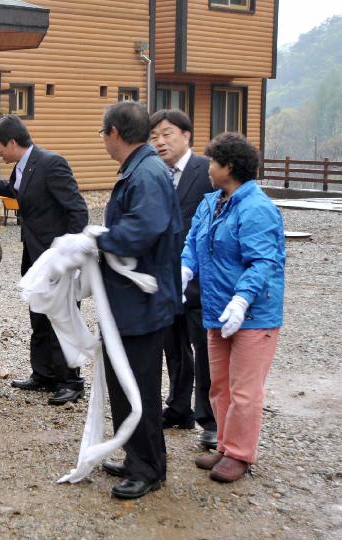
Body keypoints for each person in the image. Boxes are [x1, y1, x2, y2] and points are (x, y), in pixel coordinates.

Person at [182, 132, 285, 483]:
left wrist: (242, 300)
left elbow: (262, 262)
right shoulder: (211, 202)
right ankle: (225, 446)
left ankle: (241, 454)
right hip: (216, 310)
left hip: (254, 316)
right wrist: (185, 268)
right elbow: (193, 242)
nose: (207, 167)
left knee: (245, 389)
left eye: (212, 161)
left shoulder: (258, 209)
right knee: (220, 385)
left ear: (228, 166)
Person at [0, 114, 89, 405]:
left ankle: (71, 381)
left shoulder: (51, 163)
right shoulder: (23, 166)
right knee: (39, 313)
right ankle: (44, 374)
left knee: (62, 318)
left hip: (57, 256)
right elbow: (19, 192)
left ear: (12, 142)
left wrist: (71, 254)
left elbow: (77, 210)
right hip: (34, 253)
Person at [96, 101, 182, 499]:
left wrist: (99, 240)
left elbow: (142, 229)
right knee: (124, 380)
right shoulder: (142, 168)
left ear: (115, 132)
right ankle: (136, 455)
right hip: (129, 299)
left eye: (102, 132)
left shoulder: (145, 173)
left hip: (143, 302)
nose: (102, 139)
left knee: (140, 386)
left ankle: (148, 468)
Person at [149, 109, 218, 449]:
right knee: (173, 347)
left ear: (187, 135)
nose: (160, 142)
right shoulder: (155, 174)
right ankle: (178, 407)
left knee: (205, 350)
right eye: (154, 137)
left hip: (201, 279)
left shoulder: (207, 171)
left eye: (167, 134)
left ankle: (210, 419)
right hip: (165, 276)